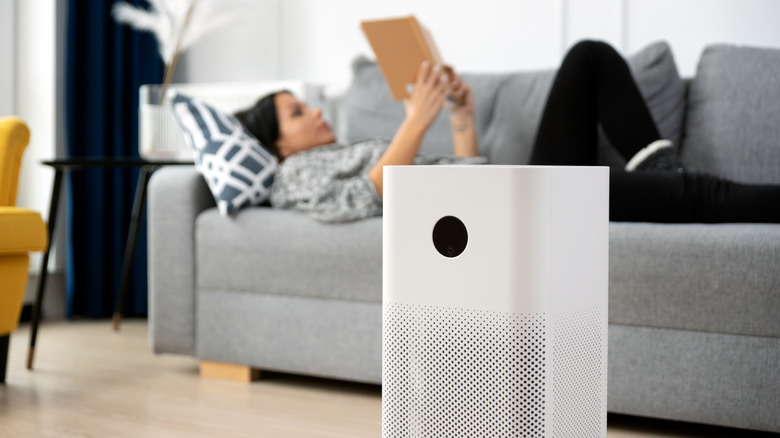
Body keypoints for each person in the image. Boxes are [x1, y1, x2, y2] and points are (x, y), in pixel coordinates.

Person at [235, 40, 780, 224]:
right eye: (297, 113)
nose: (315, 113)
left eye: (307, 105)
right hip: (511, 208)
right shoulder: (292, 178)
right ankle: (668, 178)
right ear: (277, 143)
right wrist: (415, 121)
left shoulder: (347, 148)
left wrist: (460, 119)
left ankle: (658, 166)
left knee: (588, 57)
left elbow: (464, 173)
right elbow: (360, 199)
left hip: (507, 187)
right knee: (696, 195)